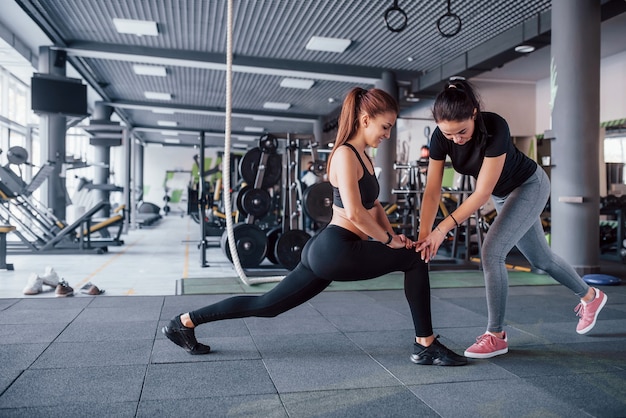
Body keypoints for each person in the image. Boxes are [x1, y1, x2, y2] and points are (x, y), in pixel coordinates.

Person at [163, 87, 468, 366]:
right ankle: (424, 343)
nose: (387, 134)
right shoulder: (346, 155)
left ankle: (184, 322)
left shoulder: (363, 155)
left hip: (329, 249)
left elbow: (372, 206)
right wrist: (389, 241)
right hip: (338, 248)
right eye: (385, 127)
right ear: (364, 120)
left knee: (268, 305)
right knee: (414, 260)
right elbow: (355, 213)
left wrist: (394, 234)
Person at [415, 78, 608, 359]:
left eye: (461, 132)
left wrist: (442, 229)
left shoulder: (495, 127)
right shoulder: (440, 137)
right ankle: (591, 297)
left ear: (474, 113)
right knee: (541, 259)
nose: (455, 139)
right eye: (449, 134)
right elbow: (432, 191)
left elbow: (481, 194)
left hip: (529, 186)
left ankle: (496, 335)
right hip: (504, 195)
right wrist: (425, 235)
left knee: (491, 252)